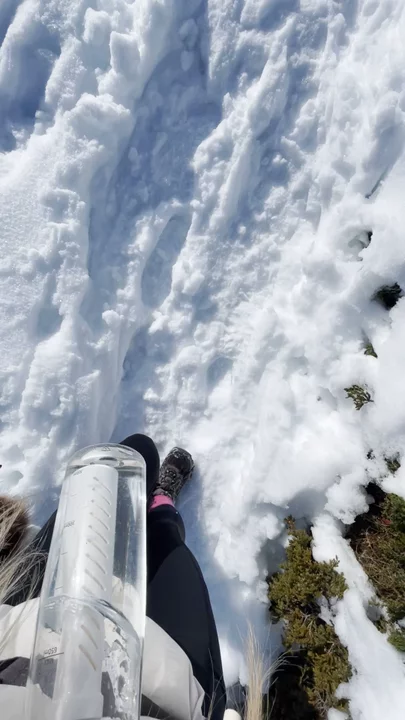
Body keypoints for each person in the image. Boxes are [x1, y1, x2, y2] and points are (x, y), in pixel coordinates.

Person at [0, 434, 228, 720]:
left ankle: (146, 503)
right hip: (175, 690)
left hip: (19, 624)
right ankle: (160, 505)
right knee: (167, 543)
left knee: (131, 456)